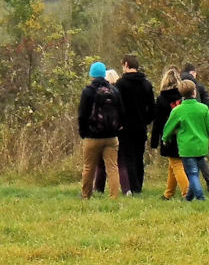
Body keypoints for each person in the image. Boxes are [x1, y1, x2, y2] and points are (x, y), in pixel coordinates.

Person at [162, 80, 209, 201]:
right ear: (194, 92)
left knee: (192, 174)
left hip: (186, 148)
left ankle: (200, 197)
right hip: (201, 146)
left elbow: (168, 127)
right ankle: (189, 197)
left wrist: (165, 138)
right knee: (195, 172)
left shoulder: (177, 110)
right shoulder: (203, 108)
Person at [77, 61, 125, 200]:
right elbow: (122, 112)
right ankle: (114, 197)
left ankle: (86, 196)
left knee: (88, 167)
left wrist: (83, 132)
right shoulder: (114, 91)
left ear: (92, 74)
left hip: (92, 136)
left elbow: (82, 114)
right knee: (112, 167)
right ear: (104, 74)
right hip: (111, 136)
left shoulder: (88, 92)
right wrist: (118, 128)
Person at [115, 54, 155, 194]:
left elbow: (117, 106)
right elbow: (152, 107)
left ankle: (132, 186)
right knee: (139, 157)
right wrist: (145, 120)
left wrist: (119, 123)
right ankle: (139, 186)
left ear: (126, 64)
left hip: (125, 127)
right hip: (140, 127)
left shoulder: (120, 84)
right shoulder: (146, 84)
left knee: (128, 157)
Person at [150, 68, 191, 200]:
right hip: (184, 134)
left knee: (176, 165)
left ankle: (188, 193)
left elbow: (158, 122)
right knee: (172, 164)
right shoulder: (184, 98)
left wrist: (154, 141)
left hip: (169, 136)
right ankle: (168, 193)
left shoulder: (162, 99)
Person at [180, 62, 209, 191]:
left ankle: (192, 186)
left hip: (184, 129)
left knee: (187, 160)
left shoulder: (178, 85)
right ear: (193, 72)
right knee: (200, 157)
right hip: (200, 125)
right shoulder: (198, 86)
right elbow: (208, 104)